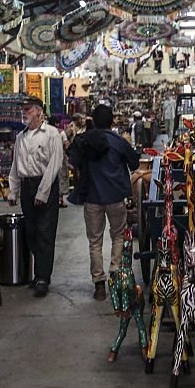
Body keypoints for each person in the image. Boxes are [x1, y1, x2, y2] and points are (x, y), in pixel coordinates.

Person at [70, 104, 140, 301]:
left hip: (91, 197)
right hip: (115, 197)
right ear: (112, 121)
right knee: (118, 236)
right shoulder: (118, 141)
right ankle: (115, 274)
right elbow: (134, 163)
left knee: (95, 241)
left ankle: (99, 284)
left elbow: (72, 161)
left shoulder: (83, 140)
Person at [7, 97, 64, 297]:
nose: (25, 112)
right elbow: (15, 166)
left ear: (39, 112)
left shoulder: (51, 135)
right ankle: (38, 273)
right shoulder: (20, 137)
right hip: (27, 186)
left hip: (45, 184)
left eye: (28, 109)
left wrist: (43, 192)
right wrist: (12, 190)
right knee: (31, 232)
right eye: (23, 109)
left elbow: (55, 165)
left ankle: (43, 277)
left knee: (45, 232)